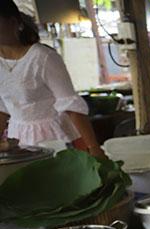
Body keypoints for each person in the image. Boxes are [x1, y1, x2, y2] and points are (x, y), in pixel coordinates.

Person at [0, 0, 103, 156]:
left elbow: (70, 105)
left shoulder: (43, 57)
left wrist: (94, 148)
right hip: (18, 140)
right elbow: (2, 109)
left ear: (14, 22)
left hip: (55, 137)